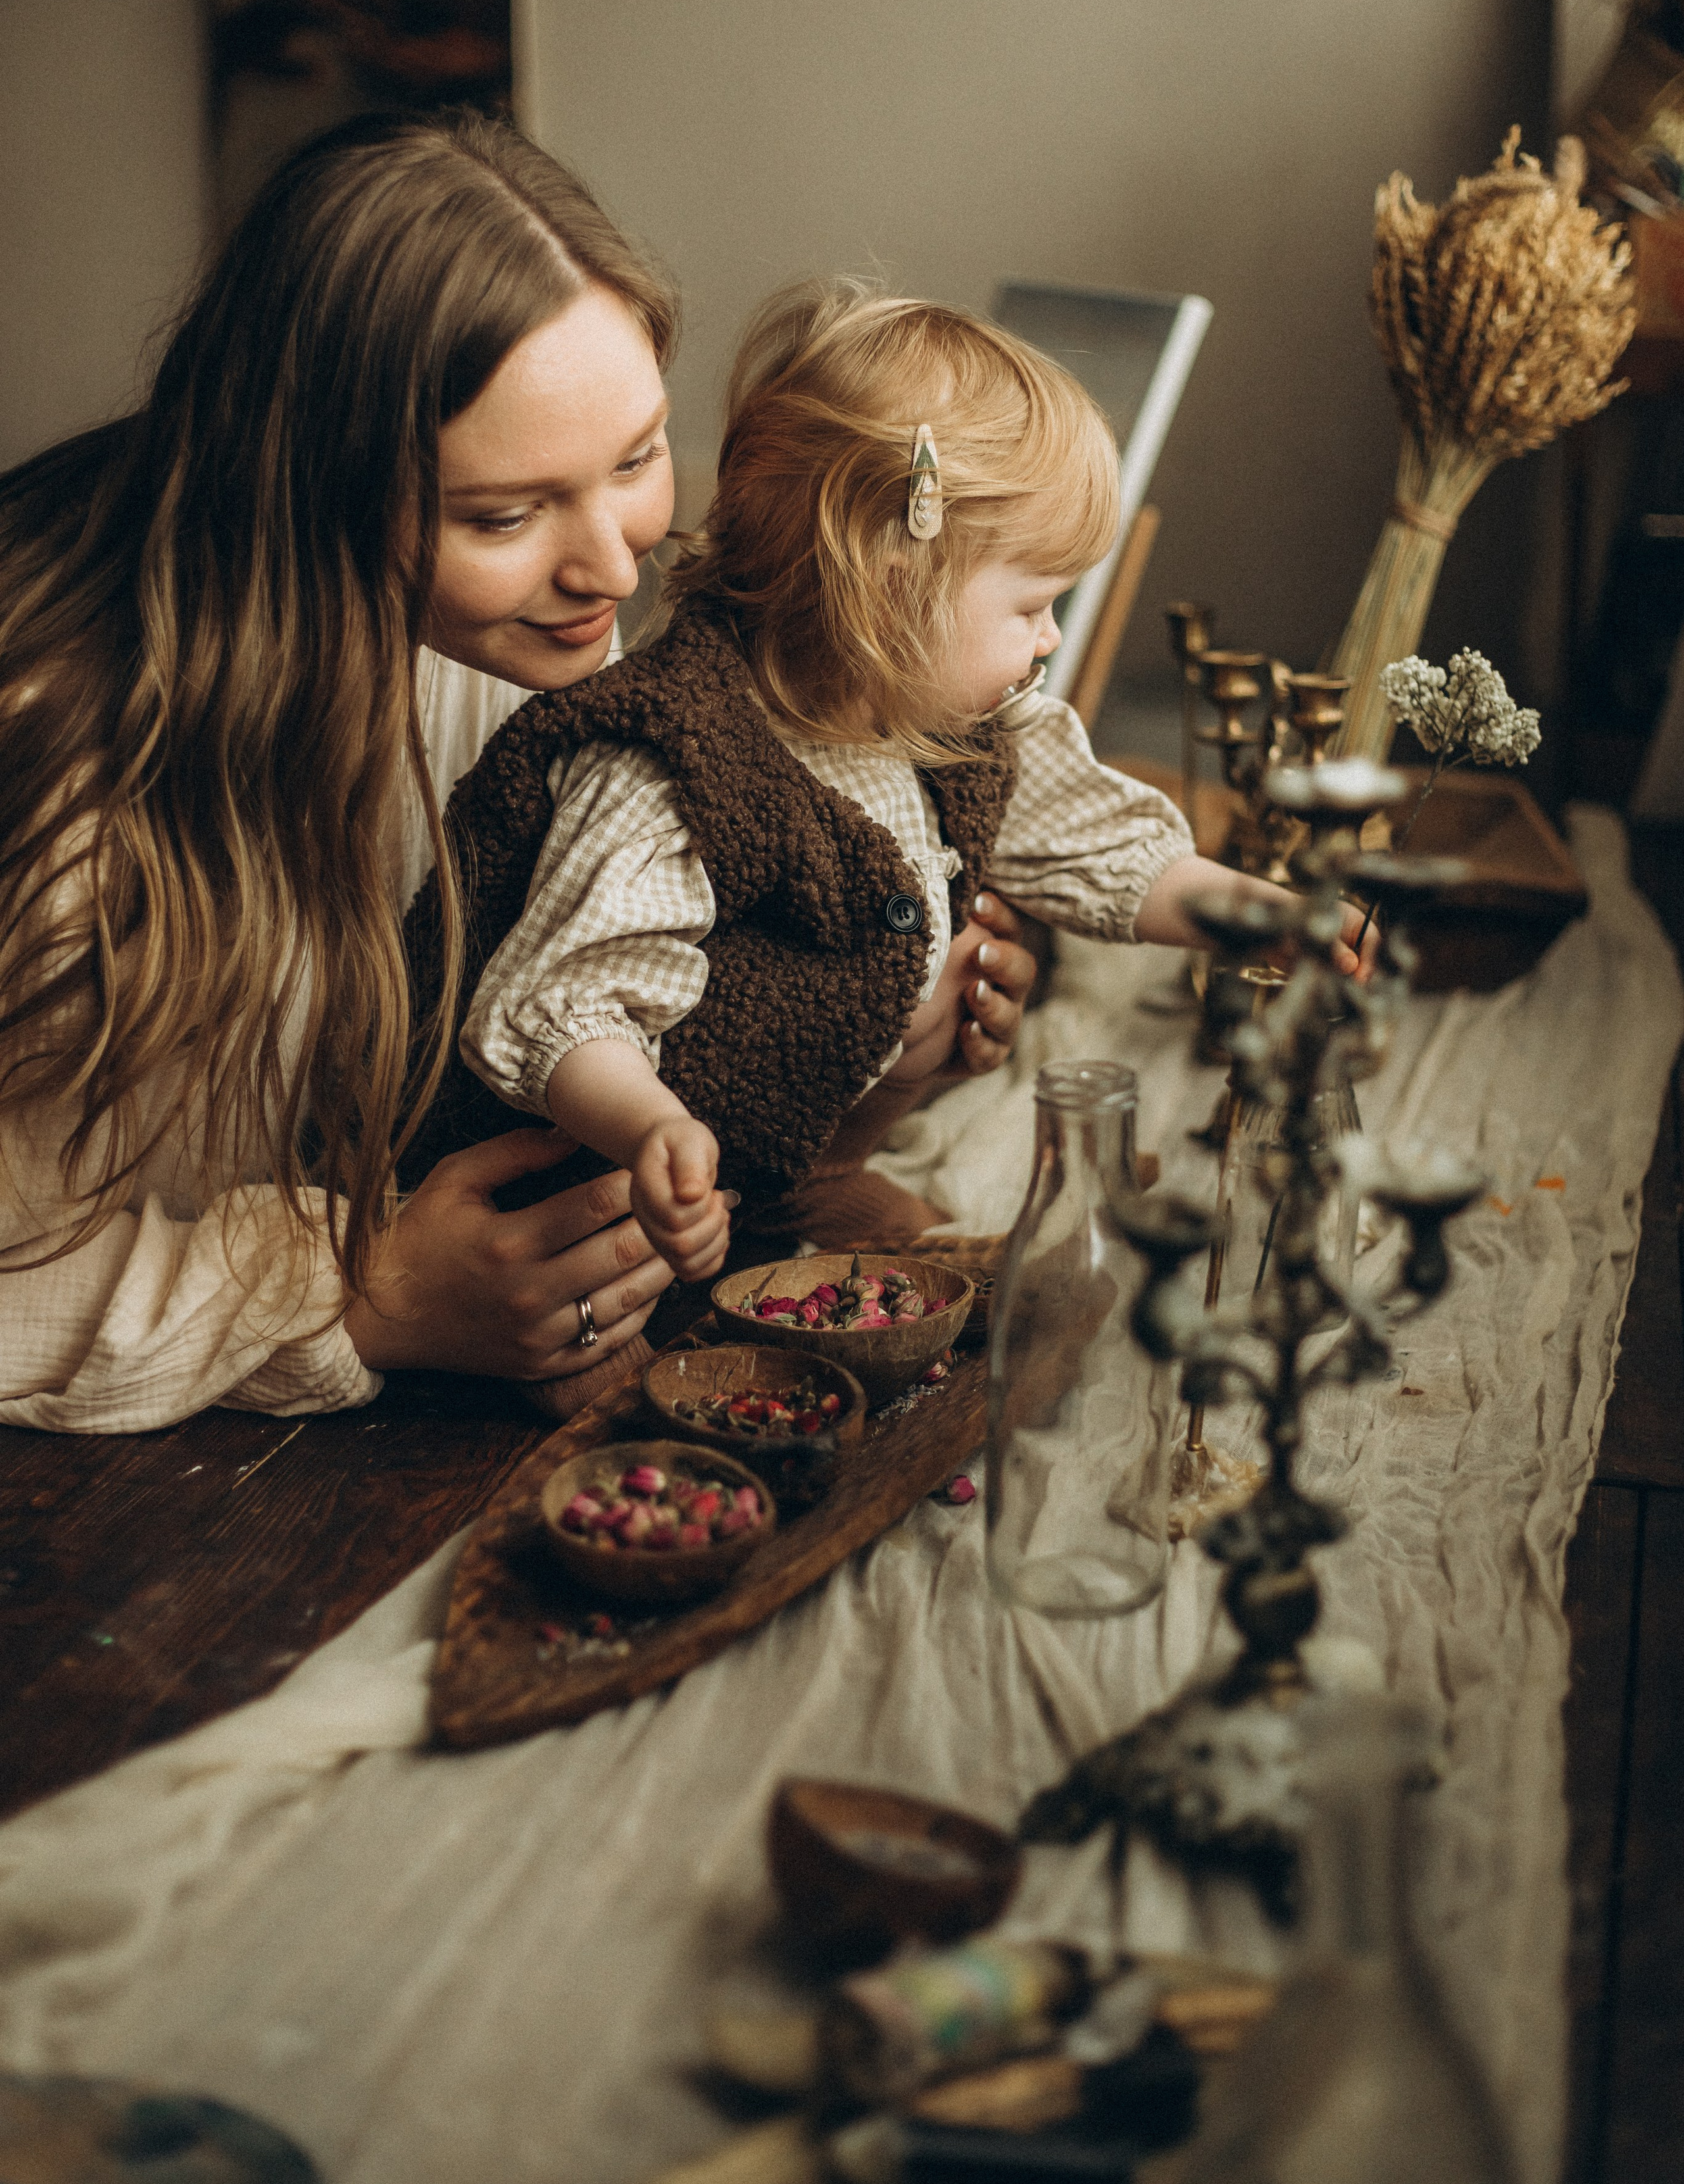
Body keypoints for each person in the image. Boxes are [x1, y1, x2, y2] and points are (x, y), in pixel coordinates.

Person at [0, 112, 1042, 1433]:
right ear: (307, 492)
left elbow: (553, 1011)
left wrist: (846, 1070)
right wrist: (356, 1297)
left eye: (635, 459)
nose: (612, 569)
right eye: (501, 514)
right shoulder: (62, 775)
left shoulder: (523, 638)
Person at [408, 281, 1374, 1285]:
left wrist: (1257, 913)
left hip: (788, 1118)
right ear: (888, 587)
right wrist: (655, 1130)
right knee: (603, 1349)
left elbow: (1108, 855)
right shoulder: (676, 759)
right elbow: (565, 1005)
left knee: (945, 1020)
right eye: (1034, 605)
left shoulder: (946, 722)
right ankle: (723, 1234)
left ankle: (810, 1186)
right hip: (582, 1173)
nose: (1051, 641)